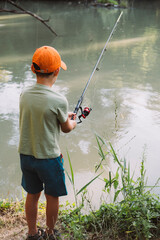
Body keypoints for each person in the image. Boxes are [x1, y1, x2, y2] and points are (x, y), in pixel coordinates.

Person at [18, 46, 77, 240]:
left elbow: (39, 114)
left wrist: (61, 115)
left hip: (26, 156)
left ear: (33, 69)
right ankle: (50, 234)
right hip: (49, 159)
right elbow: (66, 128)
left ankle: (33, 233)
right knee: (52, 196)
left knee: (32, 194)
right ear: (57, 71)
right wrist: (73, 121)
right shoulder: (59, 99)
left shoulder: (24, 95)